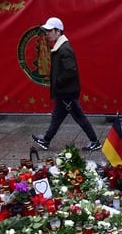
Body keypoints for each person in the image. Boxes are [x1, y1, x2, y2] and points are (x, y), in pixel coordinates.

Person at [32, 17, 101, 153]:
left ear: (58, 31)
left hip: (67, 92)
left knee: (78, 117)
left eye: (50, 31)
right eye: (46, 31)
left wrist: (58, 82)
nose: (47, 34)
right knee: (57, 117)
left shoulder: (64, 49)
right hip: (64, 92)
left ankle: (95, 141)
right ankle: (46, 140)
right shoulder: (60, 47)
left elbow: (71, 71)